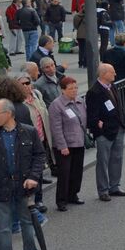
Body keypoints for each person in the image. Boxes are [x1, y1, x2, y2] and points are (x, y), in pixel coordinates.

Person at [0, 98, 47, 250]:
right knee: (3, 226)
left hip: (24, 186)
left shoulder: (29, 132)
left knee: (27, 221)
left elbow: (39, 156)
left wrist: (33, 177)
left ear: (8, 114)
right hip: (1, 187)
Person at [86, 63, 125, 202]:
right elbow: (92, 115)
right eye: (112, 72)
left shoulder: (113, 86)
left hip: (118, 129)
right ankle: (103, 190)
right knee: (103, 162)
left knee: (117, 158)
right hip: (104, 133)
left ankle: (114, 186)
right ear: (104, 74)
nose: (115, 74)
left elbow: (118, 107)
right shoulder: (94, 91)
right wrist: (98, 130)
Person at [47, 75, 87, 212]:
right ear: (62, 90)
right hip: (65, 145)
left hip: (79, 142)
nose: (74, 91)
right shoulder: (56, 105)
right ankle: (61, 200)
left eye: (76, 88)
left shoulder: (80, 101)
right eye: (70, 89)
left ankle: (73, 194)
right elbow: (56, 128)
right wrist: (62, 146)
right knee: (64, 173)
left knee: (77, 171)